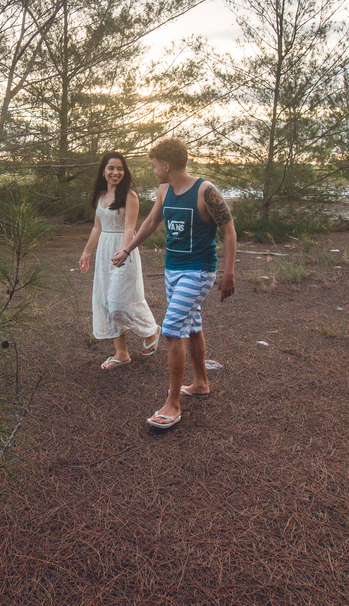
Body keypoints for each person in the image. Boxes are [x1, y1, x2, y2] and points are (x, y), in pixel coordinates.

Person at [112, 138, 236, 429]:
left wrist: (228, 273)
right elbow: (151, 222)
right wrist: (127, 249)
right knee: (191, 326)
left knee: (170, 330)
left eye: (155, 164)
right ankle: (201, 383)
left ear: (166, 165)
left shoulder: (205, 191)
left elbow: (229, 232)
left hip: (199, 270)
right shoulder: (164, 191)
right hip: (173, 270)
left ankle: (173, 404)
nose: (154, 169)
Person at [79, 152, 160, 370]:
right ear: (103, 171)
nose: (116, 173)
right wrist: (87, 251)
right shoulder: (100, 196)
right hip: (105, 252)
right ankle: (121, 353)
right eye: (111, 168)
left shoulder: (130, 196)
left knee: (120, 300)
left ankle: (150, 329)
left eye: (120, 169)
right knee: (106, 300)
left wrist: (124, 251)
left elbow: (129, 228)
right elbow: (97, 227)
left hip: (124, 250)